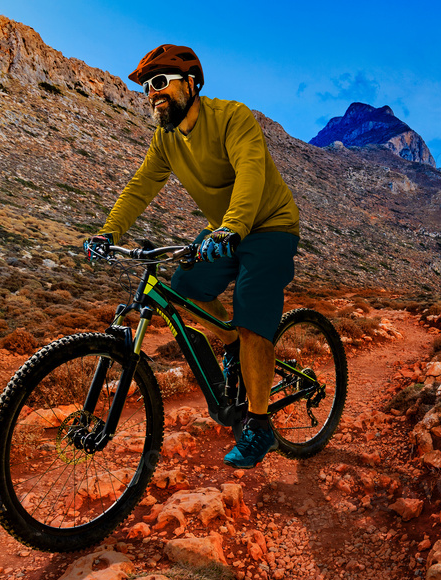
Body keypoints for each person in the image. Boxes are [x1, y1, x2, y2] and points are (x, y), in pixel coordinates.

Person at [83, 44, 301, 469]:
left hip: (269, 224)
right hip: (227, 228)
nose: (152, 93)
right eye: (148, 86)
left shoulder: (231, 117)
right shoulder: (165, 139)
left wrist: (233, 227)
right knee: (183, 288)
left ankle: (259, 425)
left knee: (253, 313)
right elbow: (140, 186)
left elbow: (251, 171)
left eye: (160, 82)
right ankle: (234, 343)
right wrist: (108, 232)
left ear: (191, 84)